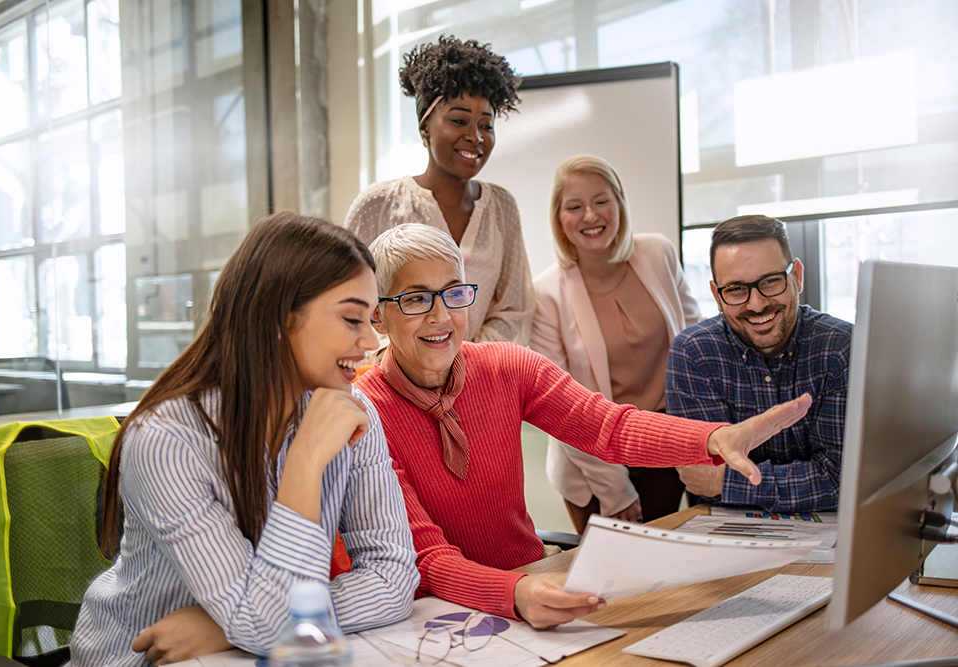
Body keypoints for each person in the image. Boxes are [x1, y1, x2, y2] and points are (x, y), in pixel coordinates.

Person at [355, 223, 812, 629]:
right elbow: (428, 559)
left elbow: (609, 428)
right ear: (377, 314)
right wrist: (512, 594)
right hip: (436, 614)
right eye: (416, 299)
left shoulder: (506, 366)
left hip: (531, 582)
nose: (440, 316)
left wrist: (712, 438)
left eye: (454, 292)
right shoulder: (366, 411)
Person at [70, 214, 419, 667]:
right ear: (278, 319)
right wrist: (306, 460)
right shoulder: (166, 440)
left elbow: (394, 579)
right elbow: (268, 625)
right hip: (144, 658)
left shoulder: (353, 413)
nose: (372, 341)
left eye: (372, 319)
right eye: (353, 318)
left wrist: (227, 626)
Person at [532, 155, 701, 532]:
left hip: (664, 449)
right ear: (559, 219)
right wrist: (614, 489)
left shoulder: (658, 253)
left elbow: (697, 345)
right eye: (574, 207)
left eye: (601, 201)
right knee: (612, 583)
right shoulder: (545, 294)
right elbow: (560, 405)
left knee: (668, 577)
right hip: (592, 465)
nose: (590, 216)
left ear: (620, 202)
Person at [344, 35, 534, 345]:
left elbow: (515, 309)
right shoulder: (379, 204)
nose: (475, 136)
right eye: (459, 120)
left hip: (478, 379)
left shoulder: (501, 206)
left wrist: (459, 363)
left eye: (486, 125)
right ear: (425, 128)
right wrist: (414, 366)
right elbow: (351, 303)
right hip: (393, 383)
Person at [666, 214, 852, 512]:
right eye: (736, 289)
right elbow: (700, 478)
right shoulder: (694, 353)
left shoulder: (841, 348)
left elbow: (841, 479)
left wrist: (728, 482)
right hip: (730, 536)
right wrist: (802, 481)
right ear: (717, 295)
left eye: (770, 281)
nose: (757, 304)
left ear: (797, 276)